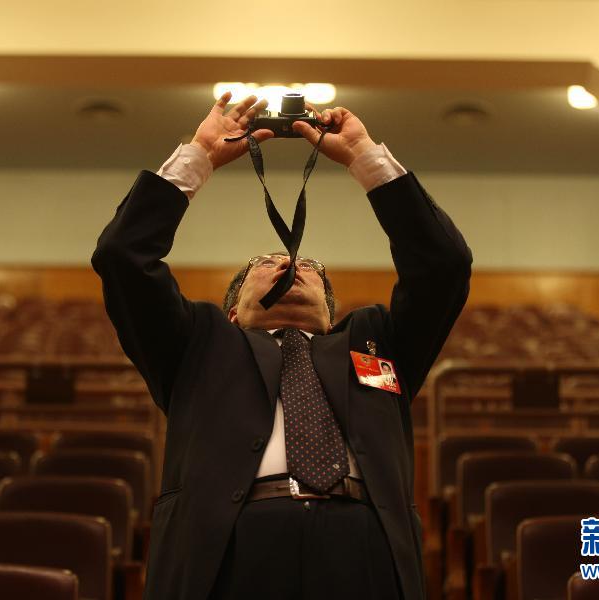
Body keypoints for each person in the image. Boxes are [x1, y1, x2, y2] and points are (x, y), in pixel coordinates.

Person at [92, 92, 472, 600]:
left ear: (332, 316)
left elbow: (443, 267)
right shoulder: (198, 344)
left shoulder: (378, 342)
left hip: (363, 549)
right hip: (228, 551)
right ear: (233, 312)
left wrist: (365, 158)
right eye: (265, 263)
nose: (291, 265)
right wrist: (199, 157)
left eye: (310, 266)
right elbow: (123, 258)